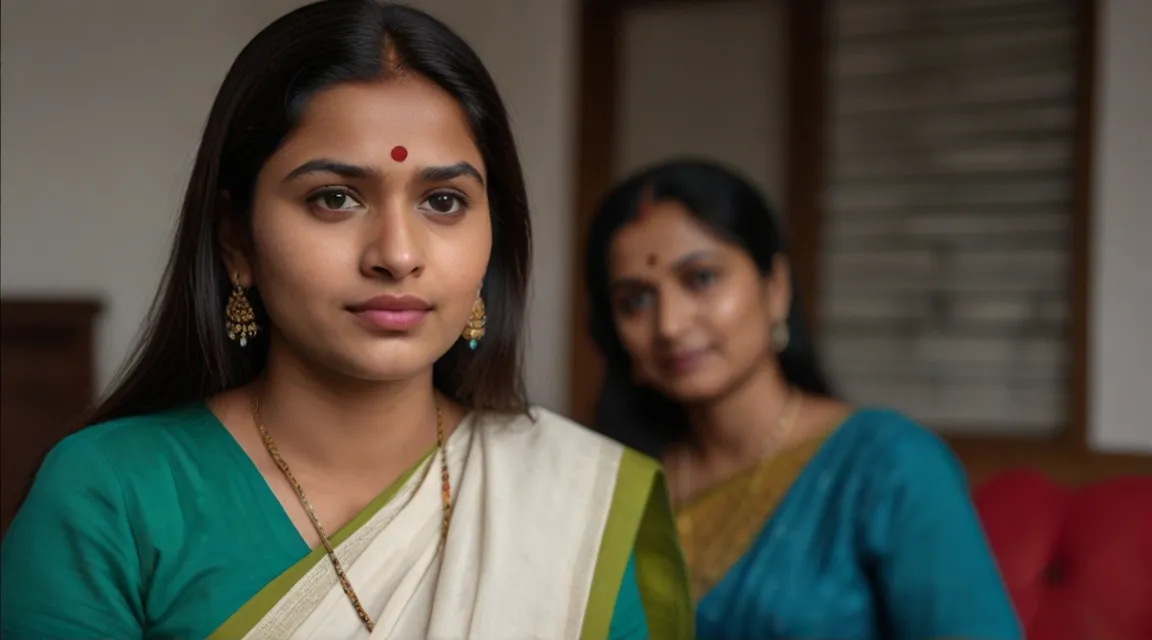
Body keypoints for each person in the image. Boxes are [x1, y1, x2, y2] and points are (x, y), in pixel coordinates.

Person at [0, 3, 693, 638]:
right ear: (234, 239)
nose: (397, 254)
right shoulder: (112, 495)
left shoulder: (578, 502)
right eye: (335, 198)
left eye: (444, 202)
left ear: (492, 238)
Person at [583, 158, 1021, 639]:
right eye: (636, 301)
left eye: (701, 279)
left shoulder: (889, 466)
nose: (669, 324)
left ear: (776, 288)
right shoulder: (615, 484)